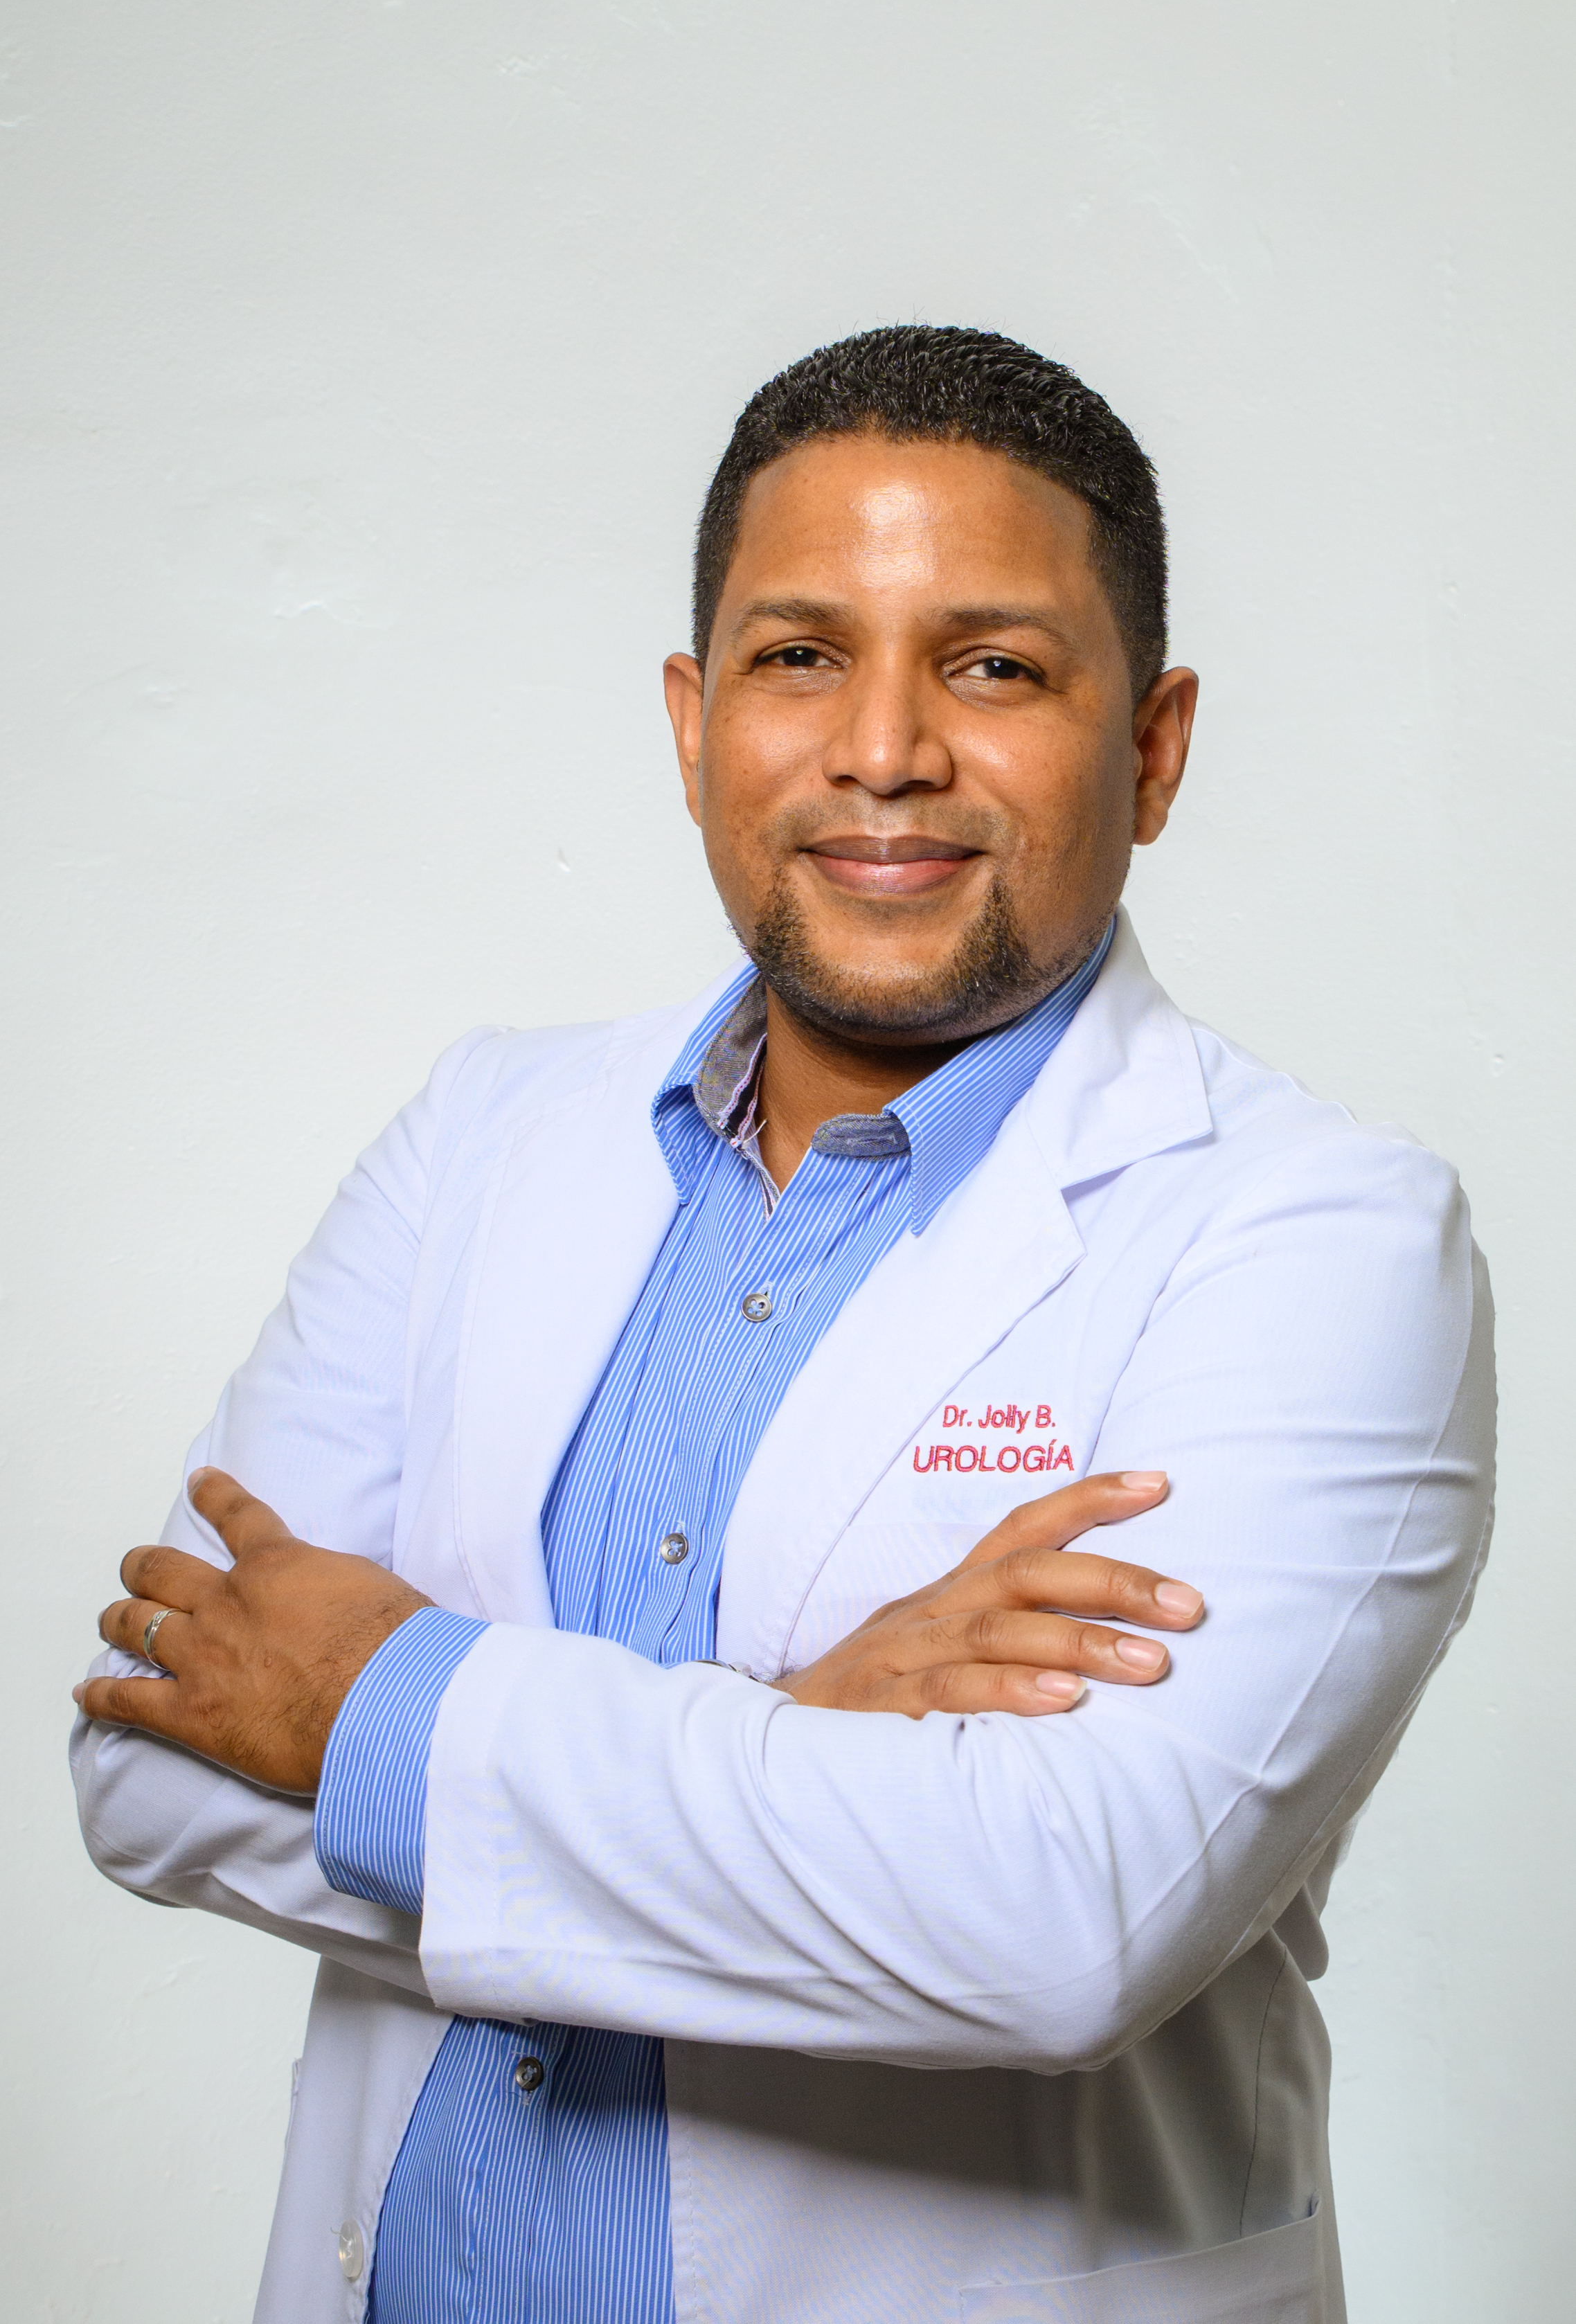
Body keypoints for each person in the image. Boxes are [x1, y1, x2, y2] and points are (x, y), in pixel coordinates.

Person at [71, 325, 1494, 2324]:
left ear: (1154, 747)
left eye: (993, 667)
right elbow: (150, 1759)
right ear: (694, 720)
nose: (883, 749)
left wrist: (372, 1718)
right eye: (800, 655)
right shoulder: (481, 1132)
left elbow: (1058, 1920)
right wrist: (796, 1730)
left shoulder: (1321, 1234)